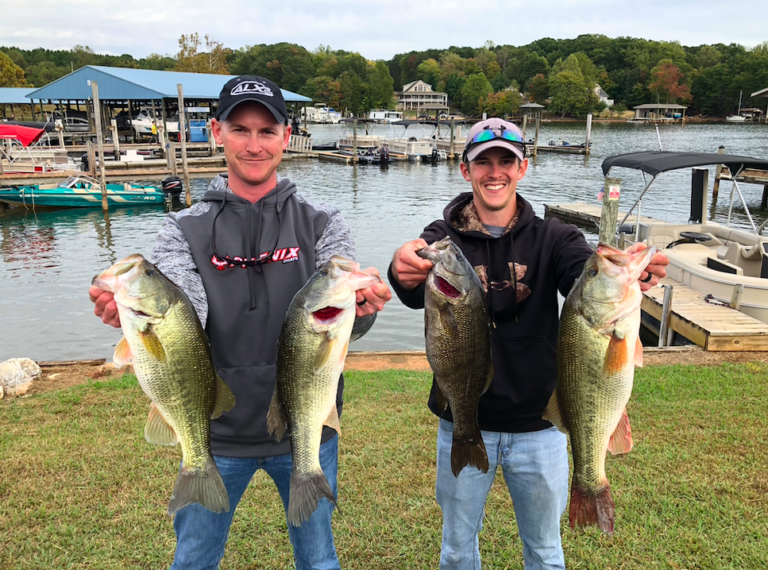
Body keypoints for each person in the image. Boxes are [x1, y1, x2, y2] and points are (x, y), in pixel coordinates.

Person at [89, 75, 392, 570]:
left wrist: (363, 311)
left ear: (287, 136)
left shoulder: (324, 222)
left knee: (318, 560)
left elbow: (341, 330)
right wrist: (130, 312)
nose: (254, 145)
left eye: (267, 131)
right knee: (193, 560)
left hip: (308, 427)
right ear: (216, 132)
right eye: (240, 129)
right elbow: (185, 313)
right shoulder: (180, 228)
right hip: (215, 431)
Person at [389, 118, 668, 570]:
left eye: (506, 161)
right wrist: (399, 269)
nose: (494, 172)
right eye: (483, 162)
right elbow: (410, 280)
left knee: (544, 550)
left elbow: (580, 271)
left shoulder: (555, 236)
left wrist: (626, 278)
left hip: (541, 426)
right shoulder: (443, 238)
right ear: (465, 170)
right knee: (457, 549)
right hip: (464, 420)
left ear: (523, 168)